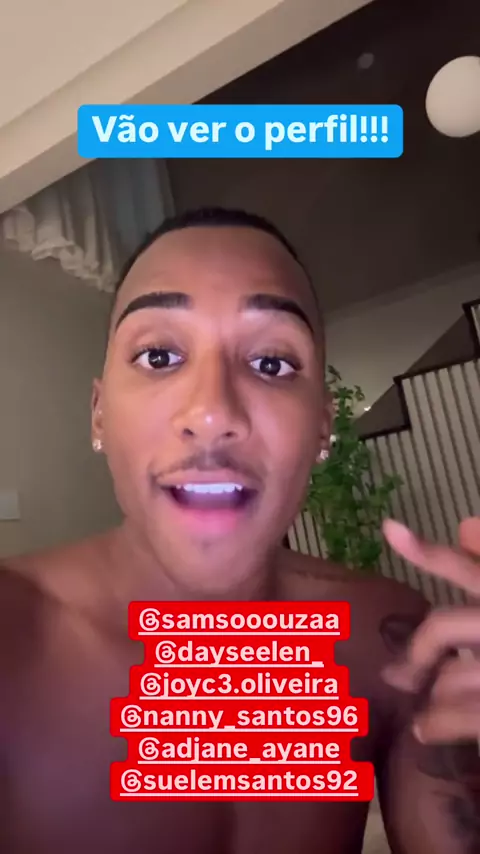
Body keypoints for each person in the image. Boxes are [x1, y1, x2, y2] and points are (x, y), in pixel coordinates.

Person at [0, 207, 479, 853]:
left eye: (273, 363)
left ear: (322, 427)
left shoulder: (389, 641)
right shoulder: (13, 637)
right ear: (99, 414)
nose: (211, 412)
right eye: (159, 355)